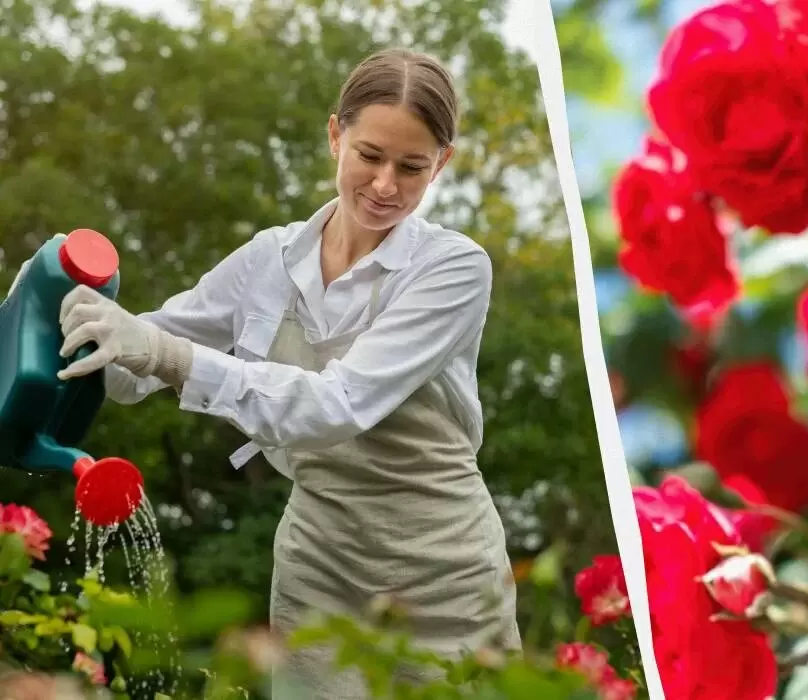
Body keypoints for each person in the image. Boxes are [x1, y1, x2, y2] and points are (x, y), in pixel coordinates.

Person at [23, 48, 522, 698]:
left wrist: (164, 354)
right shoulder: (269, 259)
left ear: (442, 164)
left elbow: (336, 406)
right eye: (369, 155)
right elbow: (129, 369)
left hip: (441, 567)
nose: (385, 185)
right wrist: (67, 326)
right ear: (335, 133)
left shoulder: (452, 269)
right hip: (322, 560)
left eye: (412, 167)